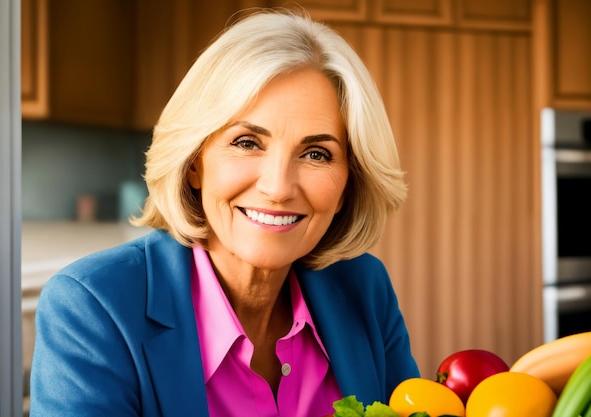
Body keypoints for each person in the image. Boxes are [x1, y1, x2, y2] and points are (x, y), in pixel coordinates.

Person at [29, 8, 419, 417]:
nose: (277, 187)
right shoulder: (93, 307)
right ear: (194, 162)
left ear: (347, 185)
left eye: (316, 153)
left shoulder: (365, 289)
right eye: (248, 142)